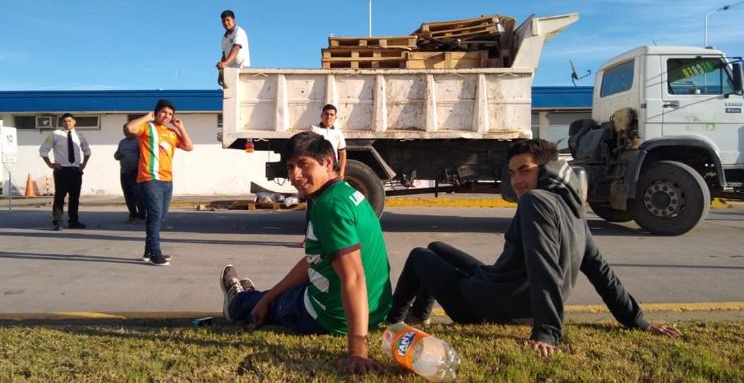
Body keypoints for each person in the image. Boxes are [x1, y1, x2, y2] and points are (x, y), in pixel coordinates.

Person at [387, 139, 681, 357]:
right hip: (507, 292)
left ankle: (393, 322)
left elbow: (544, 265)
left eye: (524, 171)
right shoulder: (573, 209)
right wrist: (636, 321)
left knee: (419, 257)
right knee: (436, 246)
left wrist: (547, 332)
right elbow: (599, 270)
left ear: (548, 168)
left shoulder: (534, 201)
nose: (517, 181)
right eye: (512, 173)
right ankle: (420, 315)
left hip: (485, 306)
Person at [219, 131, 391, 375]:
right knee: (272, 296)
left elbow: (353, 277)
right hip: (375, 312)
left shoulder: (328, 207)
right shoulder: (349, 194)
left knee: (269, 305)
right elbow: (314, 261)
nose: (295, 175)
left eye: (303, 165)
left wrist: (357, 351)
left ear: (328, 162)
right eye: (290, 167)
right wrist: (270, 296)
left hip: (330, 316)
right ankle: (259, 296)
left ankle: (237, 301)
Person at [125, 99, 194, 266]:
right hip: (150, 177)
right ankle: (156, 253)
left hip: (167, 179)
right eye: (163, 112)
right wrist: (147, 117)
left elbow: (189, 146)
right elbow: (130, 129)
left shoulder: (171, 132)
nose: (167, 116)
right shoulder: (147, 127)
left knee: (160, 216)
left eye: (170, 114)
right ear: (156, 112)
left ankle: (148, 251)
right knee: (155, 215)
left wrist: (180, 127)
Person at [39, 113, 91, 231]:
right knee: (59, 197)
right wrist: (50, 164)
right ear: (62, 123)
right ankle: (57, 221)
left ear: (74, 122)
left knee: (74, 197)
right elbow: (43, 150)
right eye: (65, 121)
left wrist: (83, 165)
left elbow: (87, 151)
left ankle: (74, 221)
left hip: (75, 170)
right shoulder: (55, 134)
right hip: (62, 170)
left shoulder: (80, 136)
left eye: (69, 121)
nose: (67, 123)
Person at [114, 127, 146, 223]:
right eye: (124, 130)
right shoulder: (122, 142)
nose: (126, 132)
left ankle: (142, 216)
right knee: (127, 194)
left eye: (128, 130)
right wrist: (117, 155)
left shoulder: (139, 141)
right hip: (124, 172)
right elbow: (116, 154)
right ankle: (132, 215)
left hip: (135, 172)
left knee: (138, 194)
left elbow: (144, 156)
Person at [216, 9, 250, 88]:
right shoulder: (224, 38)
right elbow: (224, 56)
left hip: (242, 70)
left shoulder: (239, 31)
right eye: (223, 21)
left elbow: (236, 48)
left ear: (234, 20)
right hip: (230, 73)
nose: (226, 23)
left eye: (228, 20)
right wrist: (220, 73)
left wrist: (225, 63)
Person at [310, 104, 347, 177]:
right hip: (317, 168)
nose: (329, 117)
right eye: (326, 114)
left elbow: (342, 152)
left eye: (331, 115)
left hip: (332, 169)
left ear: (335, 117)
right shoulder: (313, 130)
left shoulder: (338, 133)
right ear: (322, 116)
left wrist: (341, 172)